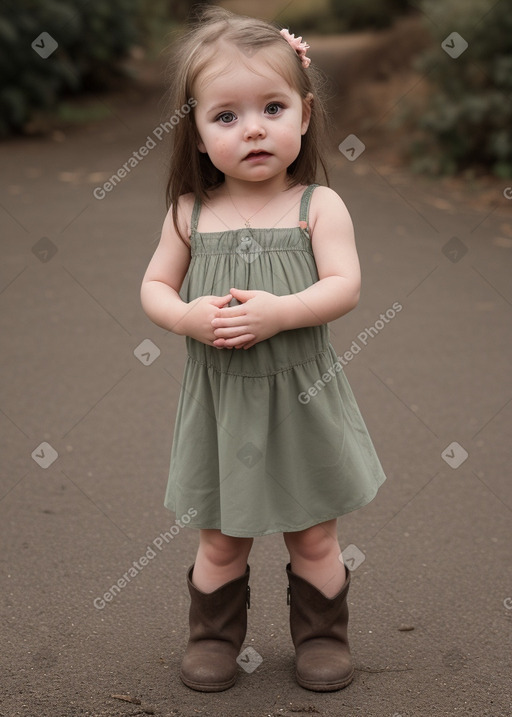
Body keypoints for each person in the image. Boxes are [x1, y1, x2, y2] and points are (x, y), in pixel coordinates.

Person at [140, 5, 386, 694]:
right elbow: (154, 287)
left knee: (313, 532)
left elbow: (346, 287)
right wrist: (185, 316)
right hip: (222, 404)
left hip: (302, 397)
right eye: (225, 116)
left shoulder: (318, 207)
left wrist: (283, 312)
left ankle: (322, 636)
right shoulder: (190, 212)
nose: (252, 128)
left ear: (304, 116)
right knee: (221, 536)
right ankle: (214, 637)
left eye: (272, 107)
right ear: (194, 130)